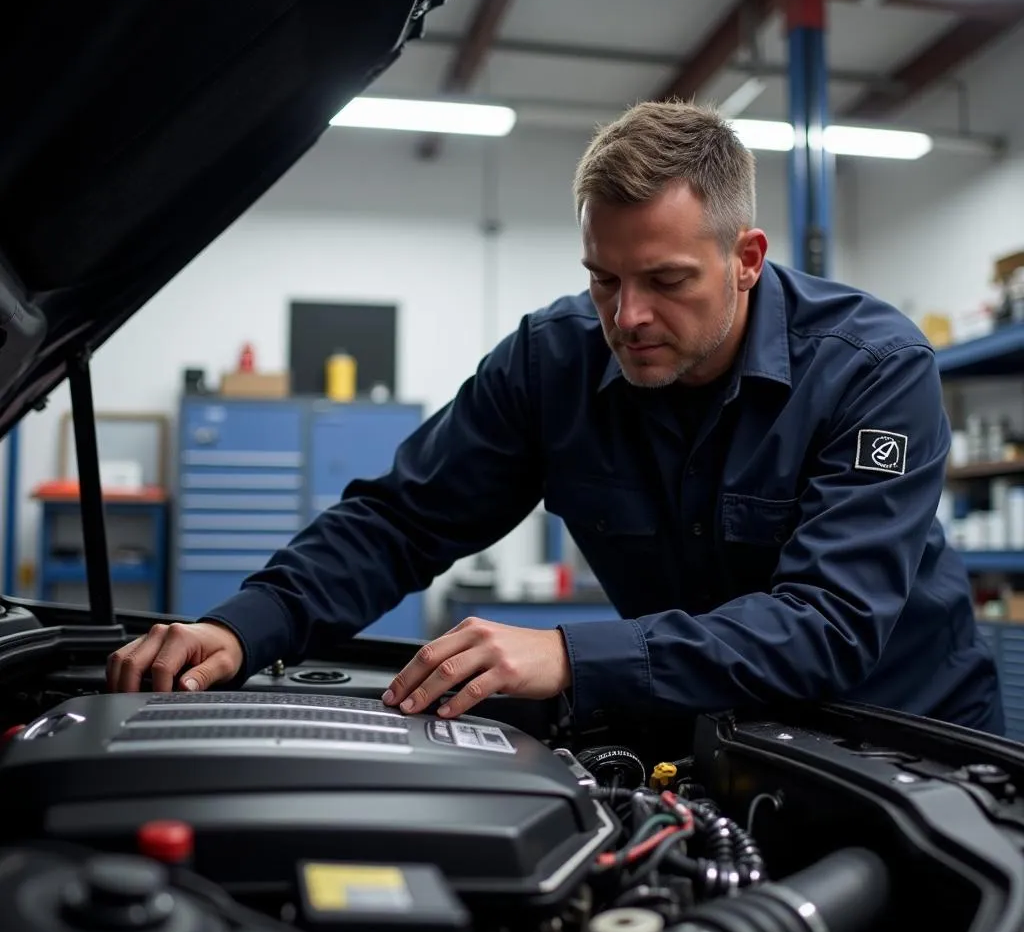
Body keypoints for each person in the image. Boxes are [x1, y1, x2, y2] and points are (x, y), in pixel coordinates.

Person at [108, 101, 1004, 734]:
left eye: (665, 280)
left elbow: (827, 624)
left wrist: (575, 658)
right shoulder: (553, 362)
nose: (628, 317)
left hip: (905, 743)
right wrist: (242, 625)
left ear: (747, 258)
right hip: (714, 729)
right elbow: (399, 520)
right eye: (603, 279)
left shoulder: (874, 373)